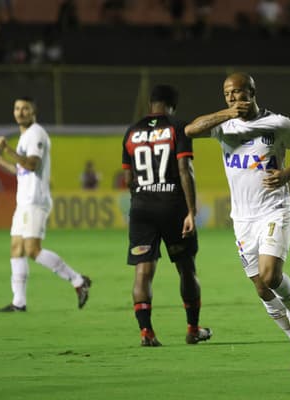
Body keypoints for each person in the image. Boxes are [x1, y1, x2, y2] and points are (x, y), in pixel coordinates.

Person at [185, 72, 290, 371]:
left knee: (271, 275)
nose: (233, 97)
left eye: (238, 92)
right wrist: (225, 114)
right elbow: (191, 130)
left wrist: (286, 174)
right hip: (242, 219)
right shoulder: (223, 126)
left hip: (274, 210)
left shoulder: (278, 124)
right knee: (260, 288)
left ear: (253, 92)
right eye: (227, 93)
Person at [121, 84, 211, 347]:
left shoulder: (132, 130)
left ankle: (146, 332)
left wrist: (141, 198)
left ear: (150, 104)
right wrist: (191, 211)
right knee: (186, 268)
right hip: (172, 206)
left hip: (141, 208)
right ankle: (193, 329)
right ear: (174, 104)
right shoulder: (177, 127)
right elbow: (185, 170)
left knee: (142, 272)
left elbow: (128, 177)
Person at [0, 96, 92, 312]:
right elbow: (21, 170)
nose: (20, 112)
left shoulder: (36, 134)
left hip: (35, 200)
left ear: (34, 111)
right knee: (16, 248)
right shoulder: (25, 137)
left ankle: (78, 281)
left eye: (25, 108)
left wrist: (7, 149)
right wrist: (0, 160)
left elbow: (32, 165)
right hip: (23, 201)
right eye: (17, 108)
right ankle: (19, 302)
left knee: (32, 250)